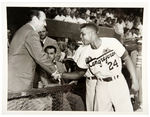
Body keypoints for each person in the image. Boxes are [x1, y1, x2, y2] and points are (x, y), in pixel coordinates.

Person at [54, 23, 139, 112]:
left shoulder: (112, 42)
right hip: (101, 84)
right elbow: (80, 73)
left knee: (125, 111)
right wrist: (61, 75)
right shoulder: (84, 52)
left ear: (92, 33)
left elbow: (126, 58)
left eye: (83, 34)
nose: (80, 37)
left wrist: (135, 80)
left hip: (117, 81)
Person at [8, 10, 59, 93]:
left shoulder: (22, 30)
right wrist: (55, 71)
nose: (45, 24)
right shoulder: (31, 33)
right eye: (43, 20)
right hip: (20, 82)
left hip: (14, 78)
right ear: (35, 19)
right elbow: (40, 56)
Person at [40, 45, 85, 111]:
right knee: (65, 106)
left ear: (55, 54)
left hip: (64, 92)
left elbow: (65, 80)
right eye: (47, 53)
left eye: (51, 53)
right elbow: (45, 85)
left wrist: (70, 83)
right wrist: (61, 86)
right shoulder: (43, 67)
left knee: (78, 99)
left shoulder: (60, 64)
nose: (49, 56)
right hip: (52, 94)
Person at [130, 39, 142, 110]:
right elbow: (131, 64)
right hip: (135, 72)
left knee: (141, 87)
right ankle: (135, 102)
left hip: (142, 72)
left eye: (141, 44)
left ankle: (141, 103)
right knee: (134, 87)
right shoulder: (133, 53)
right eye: (138, 44)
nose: (139, 46)